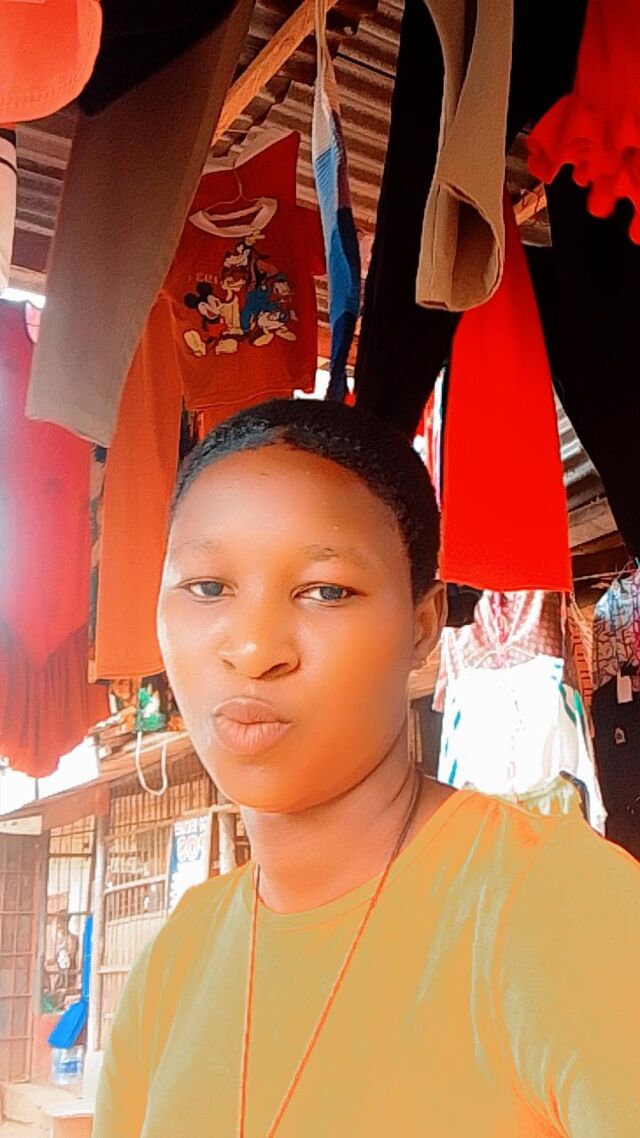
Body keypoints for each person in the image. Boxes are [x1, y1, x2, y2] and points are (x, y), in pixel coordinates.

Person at [93, 399, 640, 1138]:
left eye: (326, 591)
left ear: (422, 626)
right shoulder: (173, 963)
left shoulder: (555, 911)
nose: (253, 649)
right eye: (208, 587)